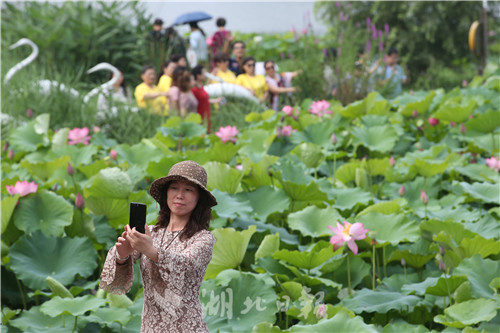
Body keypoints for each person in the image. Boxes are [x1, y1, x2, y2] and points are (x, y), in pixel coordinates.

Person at [100, 160, 217, 333]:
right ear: (165, 193)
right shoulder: (151, 232)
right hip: (150, 327)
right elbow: (115, 283)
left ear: (199, 198)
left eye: (188, 189)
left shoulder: (203, 238)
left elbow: (186, 265)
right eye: (174, 188)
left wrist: (151, 251)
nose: (179, 195)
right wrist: (122, 255)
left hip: (187, 327)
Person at [191, 65, 223, 133]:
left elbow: (204, 100)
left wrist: (216, 100)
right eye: (203, 73)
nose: (205, 75)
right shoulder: (194, 90)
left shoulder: (201, 87)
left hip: (206, 115)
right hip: (199, 116)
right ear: (198, 76)